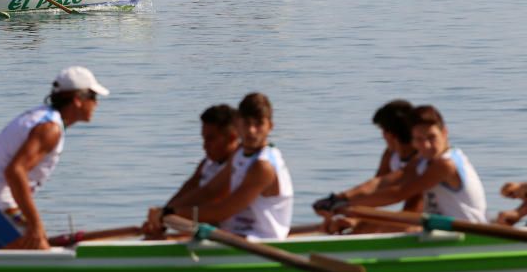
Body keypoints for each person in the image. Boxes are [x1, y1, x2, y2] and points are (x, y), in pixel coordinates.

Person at [0, 66, 108, 250]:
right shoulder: (50, 128)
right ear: (78, 100)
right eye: (93, 97)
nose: (97, 104)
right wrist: (35, 224)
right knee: (40, 255)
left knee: (20, 257)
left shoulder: (43, 116)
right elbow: (15, 172)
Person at [149, 93, 294, 240]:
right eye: (246, 123)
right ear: (238, 124)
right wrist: (164, 211)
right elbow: (209, 191)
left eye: (258, 124)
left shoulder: (263, 166)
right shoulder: (239, 154)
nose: (251, 130)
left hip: (259, 240)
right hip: (234, 236)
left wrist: (170, 213)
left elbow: (223, 210)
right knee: (155, 238)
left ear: (270, 126)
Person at [313, 105, 487, 223]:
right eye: (419, 139)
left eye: (431, 138)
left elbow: (400, 193)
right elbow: (383, 182)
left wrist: (347, 207)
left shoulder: (446, 165)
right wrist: (340, 198)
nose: (426, 145)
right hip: (439, 232)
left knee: (384, 222)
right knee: (374, 223)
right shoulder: (422, 160)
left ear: (445, 133)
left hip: (470, 236)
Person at [314, 100, 422, 234]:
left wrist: (346, 205)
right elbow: (376, 187)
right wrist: (349, 215)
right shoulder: (390, 154)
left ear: (389, 134)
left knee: (364, 228)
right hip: (411, 217)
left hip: (429, 220)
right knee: (356, 225)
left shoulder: (422, 158)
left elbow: (406, 203)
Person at [142, 104, 240, 238]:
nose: (204, 146)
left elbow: (209, 196)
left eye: (210, 139)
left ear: (232, 137)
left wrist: (166, 215)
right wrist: (161, 217)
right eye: (204, 138)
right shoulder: (208, 162)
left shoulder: (240, 166)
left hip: (232, 236)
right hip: (210, 232)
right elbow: (190, 187)